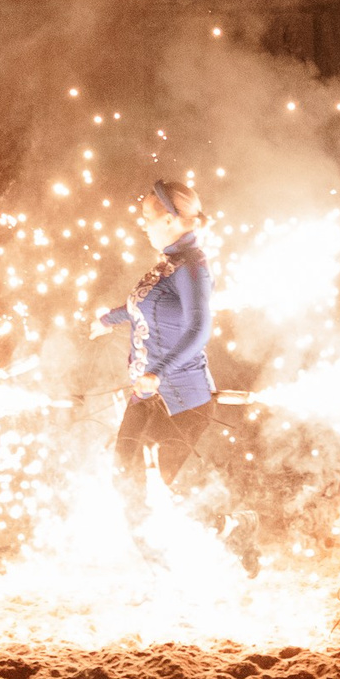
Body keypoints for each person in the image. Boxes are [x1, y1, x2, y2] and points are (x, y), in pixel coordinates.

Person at [90, 180, 233, 560]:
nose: (142, 224)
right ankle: (153, 560)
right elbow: (142, 306)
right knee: (125, 476)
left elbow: (199, 329)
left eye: (148, 217)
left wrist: (160, 371)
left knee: (157, 489)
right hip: (146, 395)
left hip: (182, 401)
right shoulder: (167, 265)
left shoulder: (193, 269)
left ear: (171, 220)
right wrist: (109, 318)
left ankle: (227, 528)